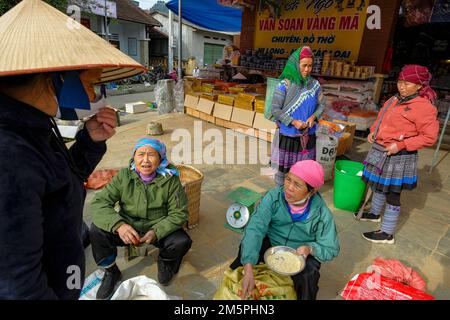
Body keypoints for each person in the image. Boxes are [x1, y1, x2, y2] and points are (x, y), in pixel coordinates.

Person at [0, 0, 144, 299]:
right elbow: (18, 285)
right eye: (91, 83)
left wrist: (89, 141)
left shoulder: (34, 125)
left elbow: (59, 182)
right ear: (57, 78)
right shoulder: (9, 155)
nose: (93, 94)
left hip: (66, 274)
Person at [89, 138, 192, 299]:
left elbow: (179, 213)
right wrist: (119, 226)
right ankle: (111, 272)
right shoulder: (124, 176)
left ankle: (166, 261)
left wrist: (156, 231)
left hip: (157, 227)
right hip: (128, 228)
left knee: (181, 241)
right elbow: (99, 203)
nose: (145, 160)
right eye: (140, 154)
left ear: (160, 159)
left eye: (151, 155)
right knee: (96, 230)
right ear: (134, 157)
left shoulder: (171, 180)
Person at [230, 160, 339, 300]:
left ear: (312, 191)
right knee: (247, 250)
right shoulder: (274, 197)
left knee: (309, 275)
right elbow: (255, 228)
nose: (289, 188)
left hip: (299, 252)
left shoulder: (321, 214)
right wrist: (248, 267)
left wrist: (311, 249)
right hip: (272, 243)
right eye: (288, 179)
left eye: (297, 184)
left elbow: (331, 248)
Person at [357, 64, 439, 244]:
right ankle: (374, 213)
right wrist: (373, 131)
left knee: (393, 193)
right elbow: (381, 118)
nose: (402, 86)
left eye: (408, 83)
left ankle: (386, 233)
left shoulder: (424, 107)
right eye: (400, 81)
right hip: (381, 149)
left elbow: (429, 137)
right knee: (377, 184)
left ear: (419, 86)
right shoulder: (394, 99)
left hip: (399, 155)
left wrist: (402, 144)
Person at [271, 46, 325, 186]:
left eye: (310, 66)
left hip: (308, 137)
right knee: (283, 172)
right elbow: (275, 110)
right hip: (289, 136)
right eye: (304, 65)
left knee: (302, 172)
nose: (307, 69)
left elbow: (322, 105)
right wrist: (293, 122)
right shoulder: (285, 84)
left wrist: (314, 117)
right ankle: (279, 196)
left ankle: (295, 197)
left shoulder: (315, 85)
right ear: (296, 65)